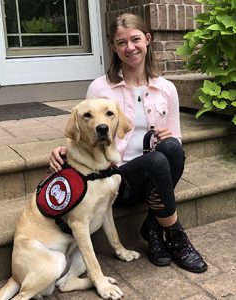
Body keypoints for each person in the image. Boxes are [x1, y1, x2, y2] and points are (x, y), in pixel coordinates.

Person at [50, 13, 207, 273]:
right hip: (116, 179)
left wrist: (169, 138)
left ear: (147, 39)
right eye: (121, 42)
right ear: (113, 47)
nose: (130, 47)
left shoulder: (166, 88)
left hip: (154, 175)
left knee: (171, 148)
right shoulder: (100, 88)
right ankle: (176, 235)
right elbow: (85, 130)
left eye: (135, 39)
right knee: (156, 159)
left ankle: (153, 228)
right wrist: (61, 150)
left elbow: (176, 137)